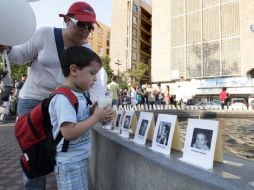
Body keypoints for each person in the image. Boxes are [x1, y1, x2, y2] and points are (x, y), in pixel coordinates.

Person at [0, 1, 104, 189]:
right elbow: (19, 56)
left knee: (60, 153)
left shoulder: (86, 50)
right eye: (81, 24)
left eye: (89, 27)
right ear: (66, 19)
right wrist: (6, 48)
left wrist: (102, 106)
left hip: (61, 105)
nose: (85, 31)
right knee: (34, 154)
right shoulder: (44, 34)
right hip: (32, 101)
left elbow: (95, 84)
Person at [49, 46, 113, 189]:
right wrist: (96, 117)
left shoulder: (81, 94)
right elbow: (69, 132)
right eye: (92, 73)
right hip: (69, 163)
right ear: (74, 70)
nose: (95, 79)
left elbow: (81, 119)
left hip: (79, 158)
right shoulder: (63, 98)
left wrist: (99, 113)